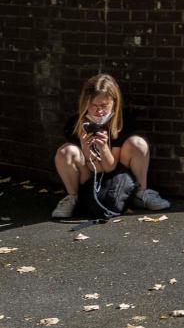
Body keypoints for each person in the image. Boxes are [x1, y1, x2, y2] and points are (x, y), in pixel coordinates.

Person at [51, 73, 170, 220]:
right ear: (85, 103)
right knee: (65, 151)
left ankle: (140, 192)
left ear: (114, 102)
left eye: (104, 106)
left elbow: (109, 168)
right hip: (89, 175)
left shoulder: (123, 121)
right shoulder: (75, 124)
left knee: (137, 144)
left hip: (117, 173)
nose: (99, 111)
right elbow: (96, 169)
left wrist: (103, 148)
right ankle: (73, 198)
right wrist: (85, 147)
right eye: (93, 106)